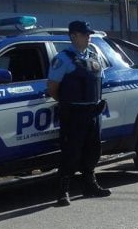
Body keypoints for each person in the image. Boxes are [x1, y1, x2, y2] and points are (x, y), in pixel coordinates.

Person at [47, 20, 111, 206]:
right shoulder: (63, 58)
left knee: (93, 151)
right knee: (71, 152)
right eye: (84, 34)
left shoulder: (93, 56)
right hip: (73, 113)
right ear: (73, 36)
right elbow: (52, 88)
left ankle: (90, 185)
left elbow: (98, 81)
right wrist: (68, 103)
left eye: (89, 33)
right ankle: (62, 191)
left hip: (93, 112)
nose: (88, 36)